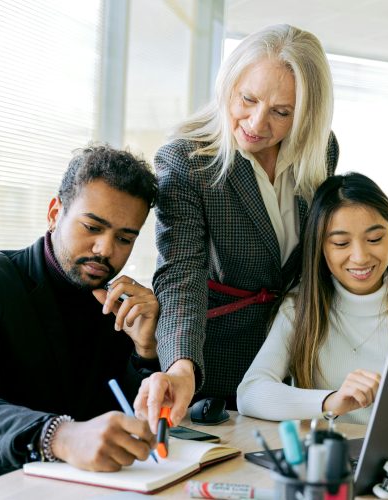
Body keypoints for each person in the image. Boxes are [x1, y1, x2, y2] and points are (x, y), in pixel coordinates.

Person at [0, 145, 160, 498]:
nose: (105, 249)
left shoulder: (117, 306)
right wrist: (60, 435)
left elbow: (118, 423)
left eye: (124, 238)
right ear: (55, 213)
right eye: (92, 227)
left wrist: (145, 351)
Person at [134, 24, 339, 433]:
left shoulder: (320, 150)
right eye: (248, 99)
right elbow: (180, 274)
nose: (257, 122)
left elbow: (323, 243)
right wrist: (180, 366)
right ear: (229, 85)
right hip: (217, 368)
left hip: (295, 368)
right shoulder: (188, 160)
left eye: (283, 112)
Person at [236, 172, 388, 425]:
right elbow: (250, 393)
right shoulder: (299, 310)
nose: (360, 257)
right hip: (327, 460)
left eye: (375, 239)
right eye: (341, 243)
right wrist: (330, 401)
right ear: (320, 247)